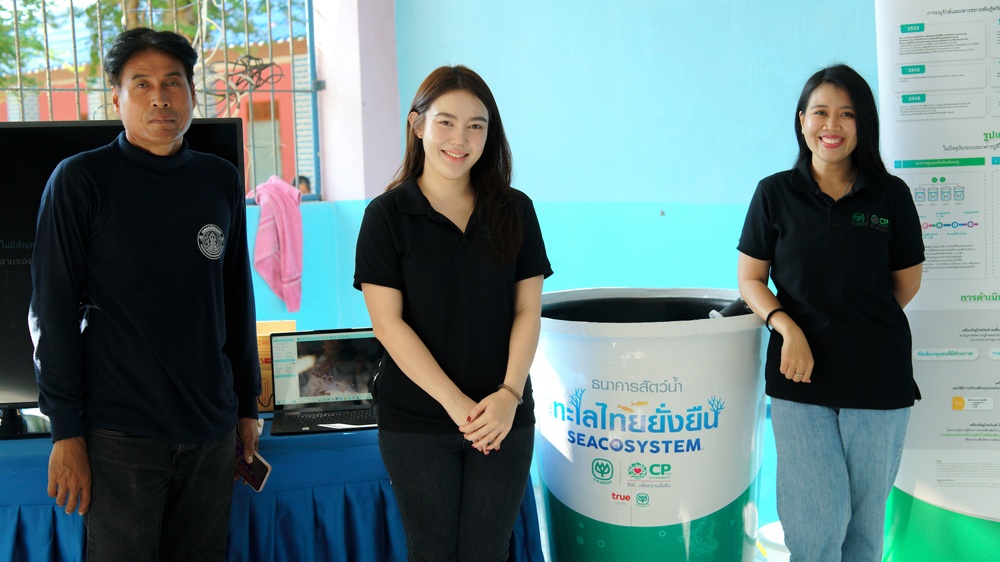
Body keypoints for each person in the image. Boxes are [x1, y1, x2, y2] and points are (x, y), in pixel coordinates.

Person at [28, 27, 261, 560]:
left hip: (210, 431)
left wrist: (247, 404)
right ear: (116, 97)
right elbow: (52, 313)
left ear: (193, 94)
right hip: (120, 437)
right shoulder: (80, 181)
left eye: (173, 82)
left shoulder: (219, 179)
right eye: (142, 84)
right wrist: (65, 431)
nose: (160, 97)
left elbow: (235, 298)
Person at [354, 65, 552, 561]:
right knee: (433, 551)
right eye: (445, 122)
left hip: (502, 416)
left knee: (489, 549)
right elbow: (388, 324)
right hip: (416, 420)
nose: (459, 139)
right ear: (417, 125)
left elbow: (528, 308)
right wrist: (455, 402)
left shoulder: (515, 209)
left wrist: (508, 395)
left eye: (476, 125)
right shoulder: (386, 217)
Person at [737, 64, 924, 561]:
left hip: (879, 379)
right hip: (800, 377)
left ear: (863, 124)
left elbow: (906, 283)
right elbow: (751, 279)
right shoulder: (774, 193)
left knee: (863, 532)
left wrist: (857, 325)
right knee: (815, 528)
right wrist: (788, 326)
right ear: (802, 121)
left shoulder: (891, 196)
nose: (832, 125)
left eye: (846, 114)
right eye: (820, 112)